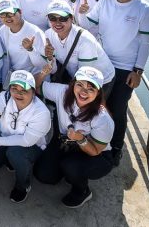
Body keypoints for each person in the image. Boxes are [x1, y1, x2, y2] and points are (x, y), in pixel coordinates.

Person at [79, 0, 149, 166]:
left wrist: (138, 71)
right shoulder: (104, 2)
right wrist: (81, 14)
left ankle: (115, 147)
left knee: (118, 108)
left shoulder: (144, 9)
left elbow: (145, 42)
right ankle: (92, 141)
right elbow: (88, 26)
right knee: (97, 105)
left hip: (125, 68)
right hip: (102, 63)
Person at [33, 66, 115, 208]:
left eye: (91, 89)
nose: (83, 92)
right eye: (80, 85)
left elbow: (95, 150)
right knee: (43, 175)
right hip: (65, 142)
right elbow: (35, 86)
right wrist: (42, 73)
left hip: (95, 153)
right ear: (73, 84)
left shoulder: (102, 119)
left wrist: (81, 139)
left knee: (71, 166)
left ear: (98, 92)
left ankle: (82, 190)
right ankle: (67, 171)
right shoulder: (62, 91)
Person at [0, 70, 51, 203]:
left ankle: (23, 185)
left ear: (34, 92)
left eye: (24, 90)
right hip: (5, 135)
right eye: (14, 88)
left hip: (29, 146)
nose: (18, 93)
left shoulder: (41, 113)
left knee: (15, 153)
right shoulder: (5, 96)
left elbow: (26, 140)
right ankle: (9, 161)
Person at [43, 0, 115, 93]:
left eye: (63, 18)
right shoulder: (48, 35)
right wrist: (49, 58)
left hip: (99, 80)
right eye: (52, 18)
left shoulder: (85, 40)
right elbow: (53, 70)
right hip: (76, 77)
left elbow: (85, 78)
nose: (57, 23)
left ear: (72, 18)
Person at [0, 0, 47, 82]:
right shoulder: (2, 31)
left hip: (34, 78)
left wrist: (30, 50)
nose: (7, 18)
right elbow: (6, 58)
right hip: (15, 77)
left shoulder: (35, 32)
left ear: (20, 12)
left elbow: (43, 65)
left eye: (10, 13)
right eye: (2, 15)